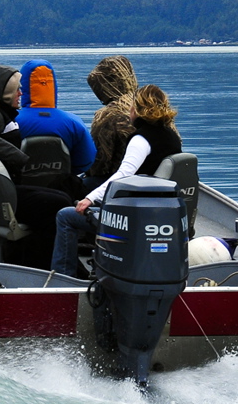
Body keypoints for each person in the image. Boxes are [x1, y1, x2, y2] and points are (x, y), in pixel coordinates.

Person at [51, 84, 183, 277]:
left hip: (136, 217)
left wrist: (90, 199)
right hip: (159, 211)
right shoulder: (171, 137)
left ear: (137, 109)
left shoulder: (141, 139)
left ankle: (63, 277)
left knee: (66, 216)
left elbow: (124, 174)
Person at [0, 63, 72, 267]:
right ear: (4, 93)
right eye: (16, 90)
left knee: (62, 196)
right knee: (57, 205)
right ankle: (39, 265)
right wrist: (17, 155)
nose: (21, 93)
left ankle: (21, 256)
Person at [16, 58, 96, 190]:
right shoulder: (74, 122)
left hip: (20, 190)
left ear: (22, 86)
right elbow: (86, 160)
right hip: (62, 190)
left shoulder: (11, 121)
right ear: (53, 85)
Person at [85, 55, 138, 184]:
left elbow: (99, 164)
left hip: (120, 182)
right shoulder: (153, 107)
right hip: (156, 178)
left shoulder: (109, 115)